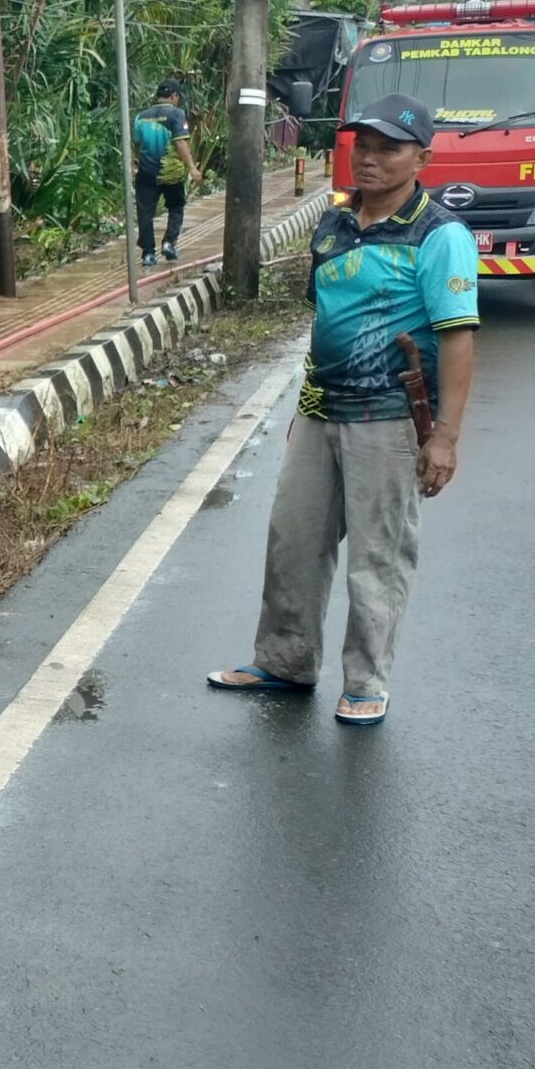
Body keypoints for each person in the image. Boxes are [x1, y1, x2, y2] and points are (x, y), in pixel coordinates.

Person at [207, 92, 477, 726]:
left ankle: (366, 680)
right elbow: (325, 320)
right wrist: (302, 410)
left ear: (422, 157)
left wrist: (445, 437)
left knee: (377, 557)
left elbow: (460, 338)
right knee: (293, 541)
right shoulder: (333, 225)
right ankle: (284, 662)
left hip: (388, 418)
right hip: (322, 410)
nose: (372, 159)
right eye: (364, 145)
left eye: (390, 148)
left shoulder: (440, 236)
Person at [133, 79, 204, 266]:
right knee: (175, 207)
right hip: (170, 172)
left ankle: (148, 254)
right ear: (174, 96)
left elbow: (137, 144)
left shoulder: (141, 117)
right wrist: (192, 168)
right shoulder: (176, 114)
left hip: (146, 172)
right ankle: (169, 243)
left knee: (145, 213)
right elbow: (180, 142)